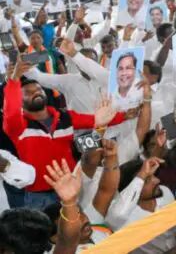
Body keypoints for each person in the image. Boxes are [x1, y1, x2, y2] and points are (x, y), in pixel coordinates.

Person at [3, 58, 125, 209]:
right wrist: (14, 80)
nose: (36, 93)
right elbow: (11, 113)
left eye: (39, 90)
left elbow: (96, 119)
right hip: (40, 196)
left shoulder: (65, 117)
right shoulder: (18, 126)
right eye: (28, 93)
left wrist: (126, 115)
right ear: (19, 100)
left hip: (71, 187)